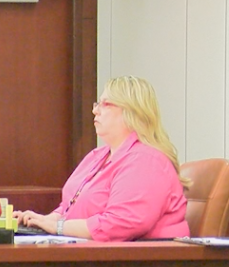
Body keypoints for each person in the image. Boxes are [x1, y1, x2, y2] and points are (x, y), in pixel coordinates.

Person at [14, 76, 189, 241]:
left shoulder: (146, 161)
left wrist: (58, 226)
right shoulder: (97, 156)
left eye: (106, 104)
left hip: (142, 258)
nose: (95, 110)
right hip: (91, 252)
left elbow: (120, 224)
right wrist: (42, 221)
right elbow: (71, 206)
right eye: (97, 103)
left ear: (132, 112)